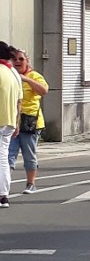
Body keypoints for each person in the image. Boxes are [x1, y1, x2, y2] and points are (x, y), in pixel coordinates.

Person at [8, 49, 48, 193]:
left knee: (29, 154)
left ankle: (31, 183)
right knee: (8, 155)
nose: (17, 62)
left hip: (30, 122)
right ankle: (4, 185)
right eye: (14, 59)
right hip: (12, 121)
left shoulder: (34, 75)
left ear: (27, 61)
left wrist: (27, 80)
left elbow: (44, 91)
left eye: (21, 59)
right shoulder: (9, 75)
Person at [0, 41, 22, 209]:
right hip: (9, 121)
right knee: (3, 158)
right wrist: (16, 121)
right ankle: (3, 195)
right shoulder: (13, 72)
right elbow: (19, 101)